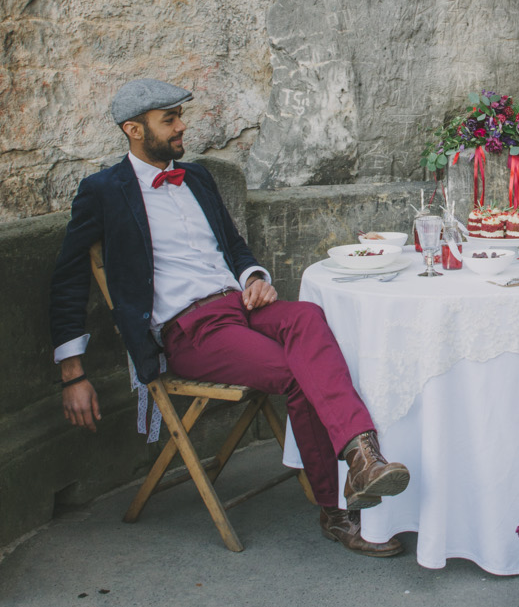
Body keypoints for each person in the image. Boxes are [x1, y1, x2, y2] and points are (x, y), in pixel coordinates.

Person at [50, 78, 410, 558]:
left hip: (240, 305)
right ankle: (337, 508)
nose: (182, 126)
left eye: (180, 115)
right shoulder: (103, 191)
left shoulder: (196, 177)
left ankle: (363, 461)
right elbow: (68, 276)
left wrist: (255, 276)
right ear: (134, 130)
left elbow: (235, 248)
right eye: (170, 119)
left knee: (306, 315)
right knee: (298, 374)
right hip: (191, 329)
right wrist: (71, 373)